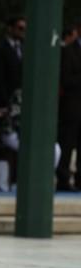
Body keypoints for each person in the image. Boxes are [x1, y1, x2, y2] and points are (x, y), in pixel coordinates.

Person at [57, 20, 81, 192]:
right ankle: (63, 180)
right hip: (72, 106)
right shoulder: (68, 51)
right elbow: (65, 79)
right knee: (68, 143)